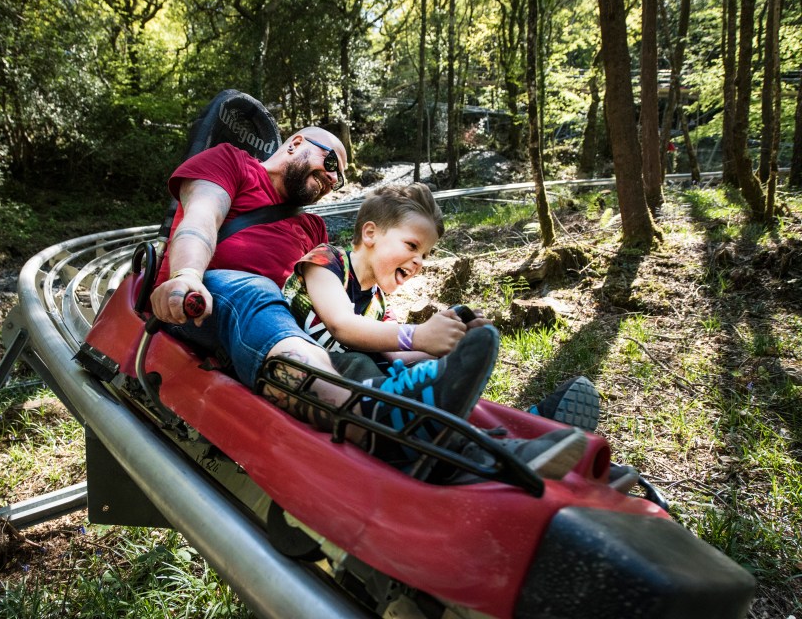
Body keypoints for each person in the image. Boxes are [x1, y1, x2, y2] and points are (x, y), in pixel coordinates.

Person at [149, 128, 584, 478]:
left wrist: (443, 343)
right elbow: (202, 216)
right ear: (297, 143)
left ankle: (508, 443)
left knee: (395, 366)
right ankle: (364, 413)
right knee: (256, 292)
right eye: (331, 163)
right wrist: (186, 276)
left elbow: (348, 310)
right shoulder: (232, 163)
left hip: (281, 331)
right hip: (203, 303)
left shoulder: (313, 229)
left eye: (339, 177)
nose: (333, 180)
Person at [280, 182, 593, 472]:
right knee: (359, 363)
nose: (419, 261)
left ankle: (523, 431)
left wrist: (452, 345)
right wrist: (416, 334)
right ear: (371, 233)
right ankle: (491, 452)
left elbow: (396, 354)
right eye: (412, 245)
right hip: (318, 380)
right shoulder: (326, 261)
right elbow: (341, 324)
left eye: (425, 254)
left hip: (373, 386)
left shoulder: (377, 303)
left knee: (434, 372)